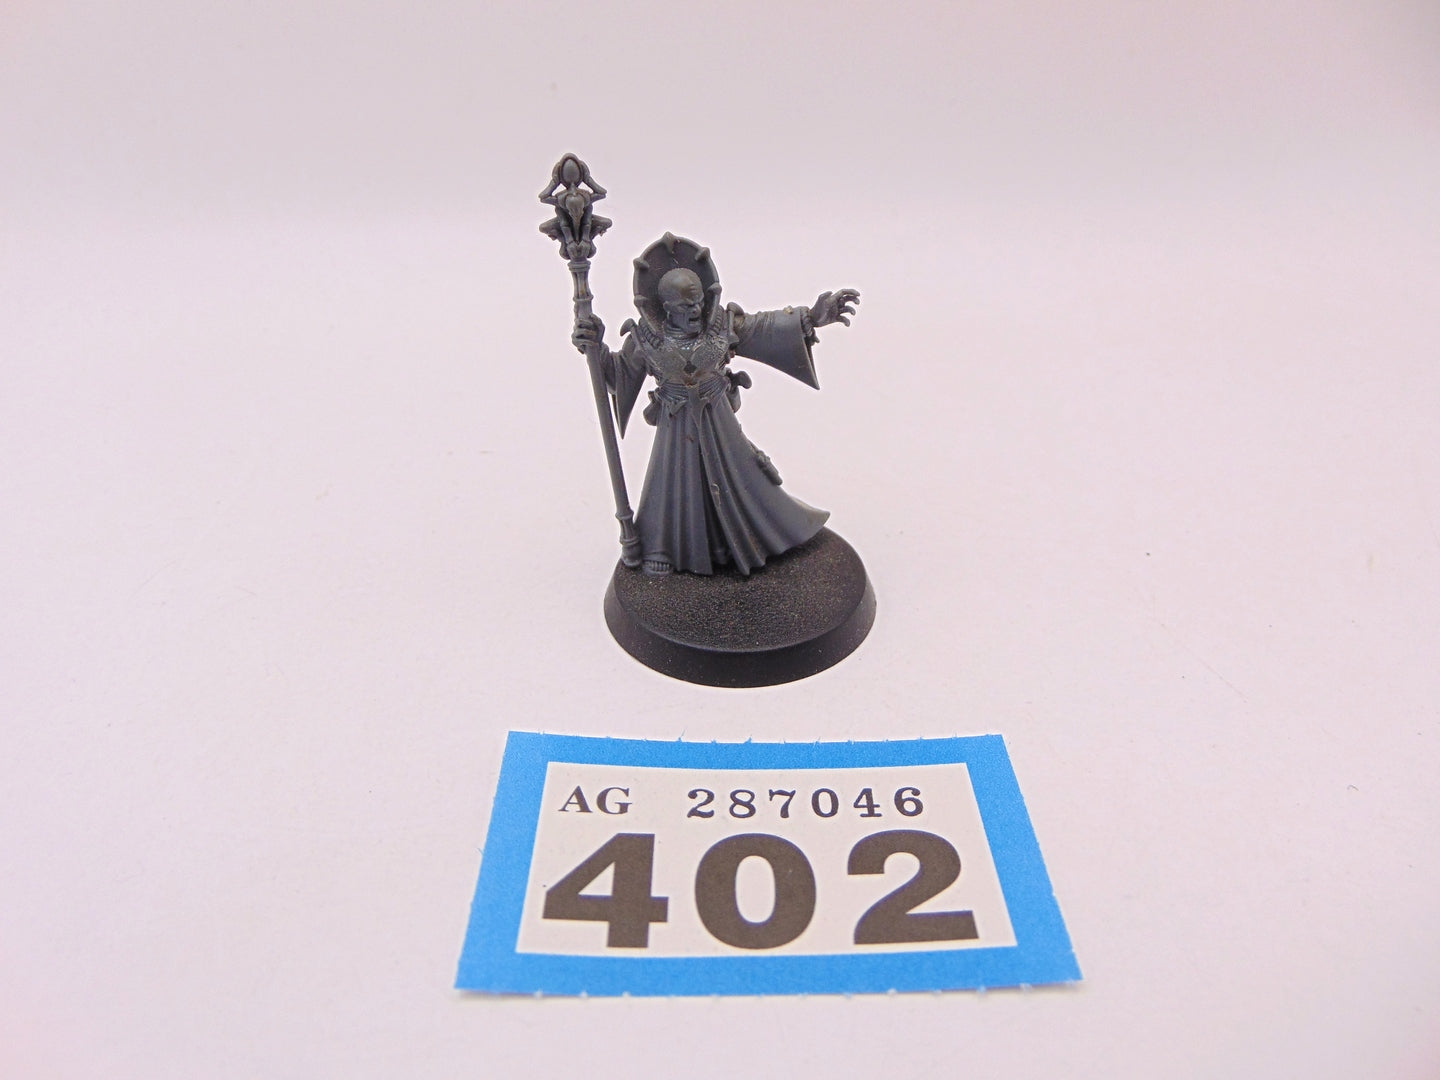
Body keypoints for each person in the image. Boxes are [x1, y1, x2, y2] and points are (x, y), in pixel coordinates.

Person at [573, 233, 858, 576]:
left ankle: (748, 539)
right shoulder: (647, 339)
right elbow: (617, 376)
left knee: (741, 481)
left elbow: (763, 327)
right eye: (685, 306)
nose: (695, 311)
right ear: (666, 308)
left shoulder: (721, 326)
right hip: (675, 427)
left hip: (718, 420)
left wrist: (811, 317)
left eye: (697, 302)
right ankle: (664, 546)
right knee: (676, 486)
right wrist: (594, 347)